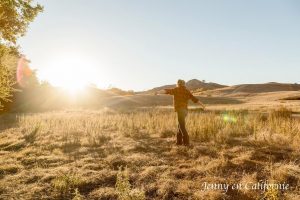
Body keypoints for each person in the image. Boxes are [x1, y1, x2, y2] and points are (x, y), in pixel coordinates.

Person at [164, 79, 205, 146]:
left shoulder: (176, 89)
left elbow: (166, 91)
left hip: (180, 110)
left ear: (178, 83)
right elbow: (194, 99)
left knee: (182, 126)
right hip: (185, 111)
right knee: (179, 126)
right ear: (184, 84)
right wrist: (203, 105)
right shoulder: (187, 91)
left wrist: (157, 92)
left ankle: (186, 143)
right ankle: (178, 142)